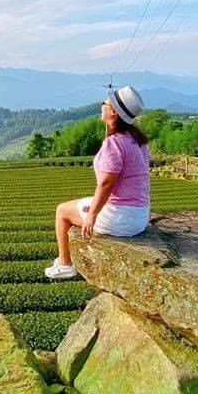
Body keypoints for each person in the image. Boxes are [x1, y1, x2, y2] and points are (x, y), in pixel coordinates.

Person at [45, 85, 150, 280]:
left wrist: (92, 215)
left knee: (62, 211)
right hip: (139, 215)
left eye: (105, 103)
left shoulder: (115, 143)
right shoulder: (138, 140)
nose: (102, 105)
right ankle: (65, 261)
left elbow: (106, 184)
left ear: (114, 113)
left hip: (121, 218)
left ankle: (65, 264)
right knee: (82, 202)